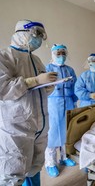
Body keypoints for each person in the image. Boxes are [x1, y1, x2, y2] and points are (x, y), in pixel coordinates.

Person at [0, 20, 58, 185]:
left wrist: (49, 86)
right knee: (13, 173)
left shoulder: (37, 60)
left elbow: (41, 89)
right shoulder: (5, 57)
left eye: (41, 35)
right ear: (21, 33)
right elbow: (3, 88)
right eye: (35, 34)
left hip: (39, 127)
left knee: (34, 168)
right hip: (17, 129)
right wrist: (34, 80)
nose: (38, 39)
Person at [45, 44, 78, 178]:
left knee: (66, 131)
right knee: (53, 133)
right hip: (54, 102)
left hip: (69, 102)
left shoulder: (70, 69)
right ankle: (50, 163)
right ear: (53, 54)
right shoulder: (47, 68)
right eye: (58, 53)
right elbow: (44, 87)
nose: (61, 56)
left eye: (63, 53)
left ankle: (64, 157)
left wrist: (75, 101)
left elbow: (75, 86)